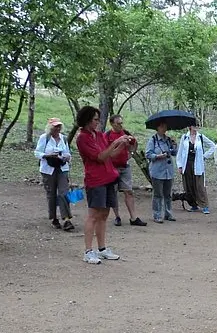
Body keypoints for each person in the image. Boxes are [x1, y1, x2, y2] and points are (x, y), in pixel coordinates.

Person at [75, 106, 131, 264]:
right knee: (93, 215)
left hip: (108, 178)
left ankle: (102, 249)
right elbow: (100, 157)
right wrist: (117, 142)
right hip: (95, 180)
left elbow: (110, 155)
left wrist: (123, 145)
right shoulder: (82, 138)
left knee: (104, 215)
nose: (98, 122)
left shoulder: (99, 135)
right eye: (95, 119)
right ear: (86, 120)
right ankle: (88, 251)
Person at [34, 117, 75, 231]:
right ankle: (53, 218)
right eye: (55, 126)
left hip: (62, 168)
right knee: (51, 194)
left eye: (59, 126)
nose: (57, 128)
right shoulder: (44, 138)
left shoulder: (64, 139)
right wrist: (47, 155)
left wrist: (66, 157)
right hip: (48, 169)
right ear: (50, 127)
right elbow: (37, 153)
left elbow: (68, 153)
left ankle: (66, 219)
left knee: (63, 193)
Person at [105, 115, 147, 227]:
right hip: (112, 167)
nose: (120, 125)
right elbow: (106, 152)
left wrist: (131, 152)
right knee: (113, 192)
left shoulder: (126, 133)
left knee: (128, 191)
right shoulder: (107, 136)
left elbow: (134, 144)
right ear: (112, 124)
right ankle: (117, 216)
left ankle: (133, 217)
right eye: (118, 123)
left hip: (125, 166)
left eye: (121, 123)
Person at [176, 124, 215, 214]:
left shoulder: (200, 137)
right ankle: (193, 205)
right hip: (187, 164)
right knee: (189, 185)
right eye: (194, 125)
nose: (196, 127)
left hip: (197, 164)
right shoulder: (184, 137)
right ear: (190, 127)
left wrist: (204, 156)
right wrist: (180, 165)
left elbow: (213, 146)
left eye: (197, 125)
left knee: (199, 185)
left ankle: (204, 205)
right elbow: (180, 152)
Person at [146, 120, 178, 223]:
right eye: (163, 126)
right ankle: (157, 215)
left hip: (168, 171)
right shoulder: (153, 140)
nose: (165, 128)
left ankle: (168, 214)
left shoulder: (168, 140)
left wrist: (174, 145)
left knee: (168, 194)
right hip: (157, 171)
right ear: (158, 127)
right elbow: (148, 154)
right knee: (158, 194)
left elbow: (174, 153)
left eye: (166, 126)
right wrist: (158, 156)